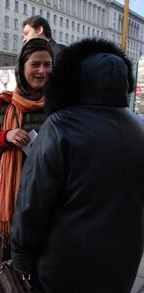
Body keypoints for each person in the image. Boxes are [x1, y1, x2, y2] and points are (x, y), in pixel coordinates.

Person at [10, 39, 144, 293]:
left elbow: (32, 202)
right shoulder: (139, 127)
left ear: (73, 79)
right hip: (123, 263)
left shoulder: (61, 125)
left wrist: (20, 255)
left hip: (64, 264)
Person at [0, 38, 53, 269]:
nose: (42, 71)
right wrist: (4, 137)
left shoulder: (63, 105)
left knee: (44, 265)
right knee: (10, 265)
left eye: (48, 64)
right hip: (11, 198)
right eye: (35, 64)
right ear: (22, 67)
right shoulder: (3, 104)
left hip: (50, 199)